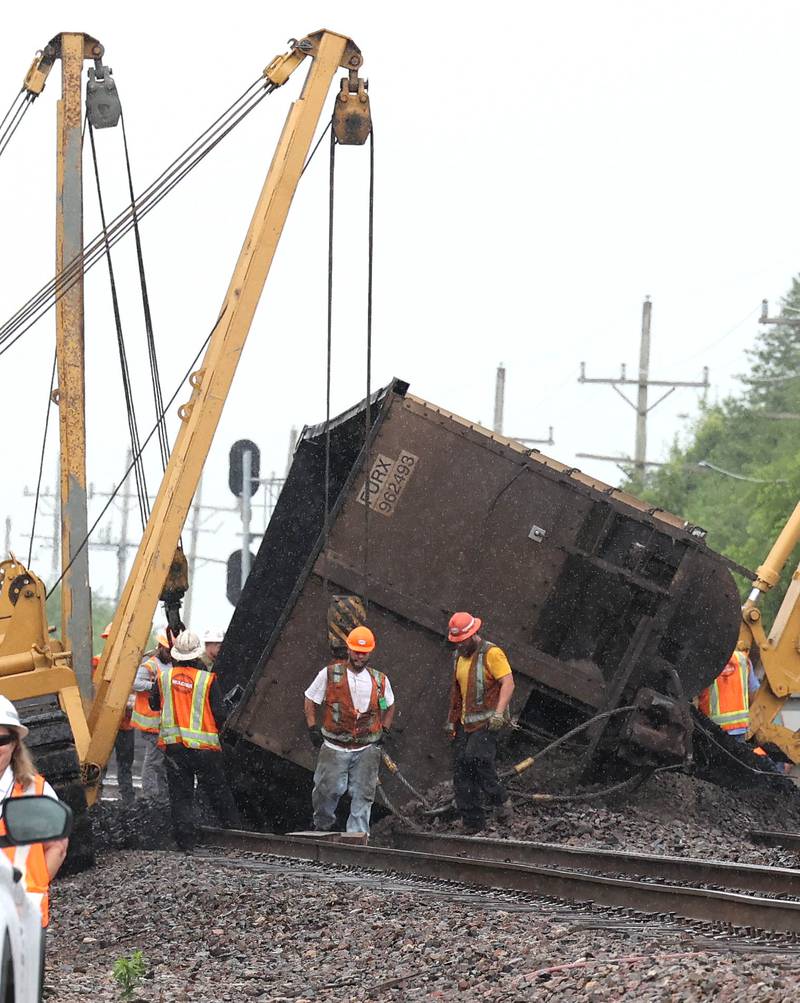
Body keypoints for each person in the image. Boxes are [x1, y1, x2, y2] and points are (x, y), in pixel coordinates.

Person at [149, 630, 241, 852]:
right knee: (219, 792)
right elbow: (219, 713)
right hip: (205, 750)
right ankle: (237, 834)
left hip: (175, 749)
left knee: (181, 796)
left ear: (176, 655)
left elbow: (153, 703)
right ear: (196, 655)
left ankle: (186, 843)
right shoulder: (207, 680)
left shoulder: (163, 678)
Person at [304, 626, 395, 835]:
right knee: (327, 791)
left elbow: (390, 705)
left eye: (364, 653)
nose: (359, 656)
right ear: (348, 650)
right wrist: (312, 727)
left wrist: (385, 730)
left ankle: (357, 836)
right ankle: (323, 825)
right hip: (334, 745)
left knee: (363, 794)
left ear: (370, 652)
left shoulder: (379, 680)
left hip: (366, 747)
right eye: (356, 651)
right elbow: (310, 698)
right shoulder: (330, 674)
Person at [0, 697, 68, 927]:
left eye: (1, 739)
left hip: (23, 916)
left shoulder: (34, 790)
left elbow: (57, 847)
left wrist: (34, 885)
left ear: (15, 744)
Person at [445, 611, 515, 835]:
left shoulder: (492, 653)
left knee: (478, 758)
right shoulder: (458, 657)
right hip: (465, 722)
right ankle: (473, 823)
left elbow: (508, 683)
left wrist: (499, 714)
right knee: (461, 770)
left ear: (473, 634)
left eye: (462, 641)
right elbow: (458, 692)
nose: (459, 645)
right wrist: (453, 720)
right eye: (456, 641)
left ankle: (500, 800)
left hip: (487, 720)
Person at [95, 623, 135, 805]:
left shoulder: (131, 666)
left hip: (124, 724)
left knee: (125, 766)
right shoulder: (96, 663)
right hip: (103, 725)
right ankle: (94, 797)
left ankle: (127, 801)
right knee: (98, 765)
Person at [131, 630, 170, 801]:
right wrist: (154, 686)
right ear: (161, 648)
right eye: (169, 651)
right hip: (151, 720)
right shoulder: (150, 664)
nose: (171, 654)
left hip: (163, 722)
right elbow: (136, 683)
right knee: (153, 760)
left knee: (160, 760)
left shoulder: (170, 664)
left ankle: (160, 793)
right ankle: (150, 794)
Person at [698, 648, 760, 740]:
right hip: (739, 727)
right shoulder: (742, 658)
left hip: (713, 730)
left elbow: (691, 695)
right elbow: (753, 691)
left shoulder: (702, 661)